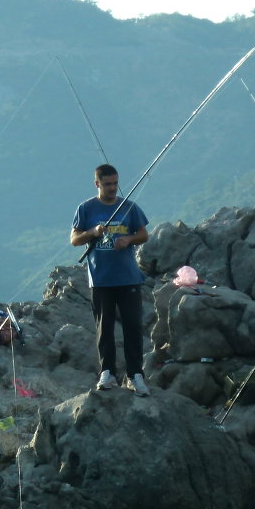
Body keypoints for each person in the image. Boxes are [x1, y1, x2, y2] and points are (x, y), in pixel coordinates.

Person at [70, 163, 151, 396]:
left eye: (115, 183)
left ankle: (136, 375)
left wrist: (129, 240)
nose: (113, 188)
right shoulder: (86, 209)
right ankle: (107, 373)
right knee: (104, 328)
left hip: (128, 278)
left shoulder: (129, 208)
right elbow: (75, 239)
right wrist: (93, 232)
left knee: (133, 327)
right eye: (107, 184)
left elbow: (143, 234)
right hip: (101, 279)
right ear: (97, 184)